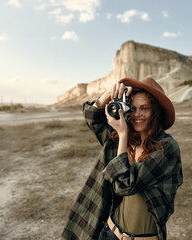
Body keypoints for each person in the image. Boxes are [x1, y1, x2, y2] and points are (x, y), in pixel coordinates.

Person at [62, 77, 182, 240]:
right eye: (132, 108)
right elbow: (92, 117)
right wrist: (108, 94)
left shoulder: (165, 147)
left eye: (144, 108)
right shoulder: (123, 140)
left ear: (156, 112)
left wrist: (123, 134)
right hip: (109, 232)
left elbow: (124, 185)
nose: (137, 115)